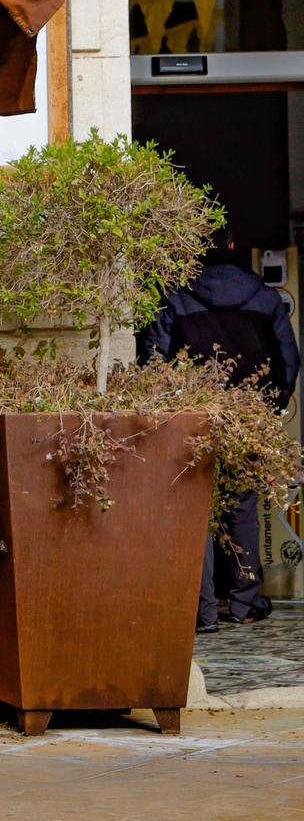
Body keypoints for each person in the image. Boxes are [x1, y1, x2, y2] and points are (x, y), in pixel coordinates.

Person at [138, 228, 300, 630]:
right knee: (243, 505)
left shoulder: (178, 295)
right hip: (248, 414)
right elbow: (288, 359)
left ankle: (203, 612)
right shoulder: (264, 297)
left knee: (196, 507)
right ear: (236, 250)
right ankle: (245, 604)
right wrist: (269, 404)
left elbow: (153, 357)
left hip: (192, 416)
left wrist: (172, 407)